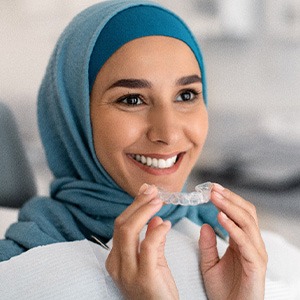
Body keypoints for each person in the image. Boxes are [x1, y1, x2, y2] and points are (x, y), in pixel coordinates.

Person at [0, 0, 268, 299]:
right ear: (74, 116)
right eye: (132, 100)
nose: (168, 133)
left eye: (186, 95)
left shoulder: (242, 254)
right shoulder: (17, 275)